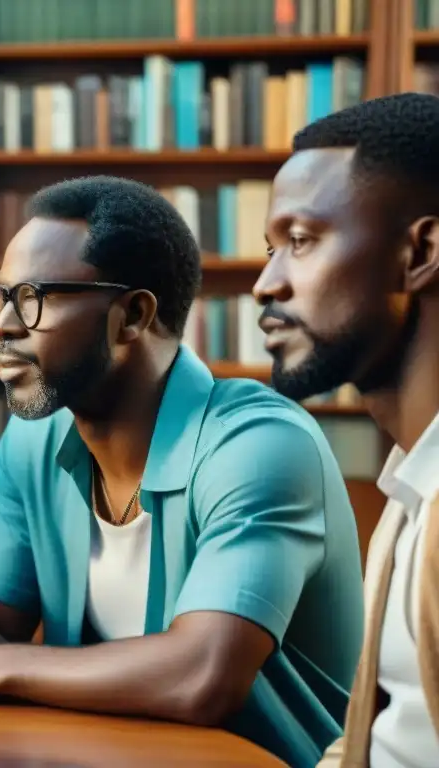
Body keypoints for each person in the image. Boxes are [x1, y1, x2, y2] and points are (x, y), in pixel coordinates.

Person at [0, 176, 366, 768]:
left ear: (132, 316)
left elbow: (204, 673)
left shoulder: (259, 445)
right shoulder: (34, 440)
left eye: (35, 298)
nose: (3, 325)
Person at [252, 92, 439, 768]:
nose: (265, 285)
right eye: (270, 249)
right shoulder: (409, 492)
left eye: (299, 241)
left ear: (419, 251)